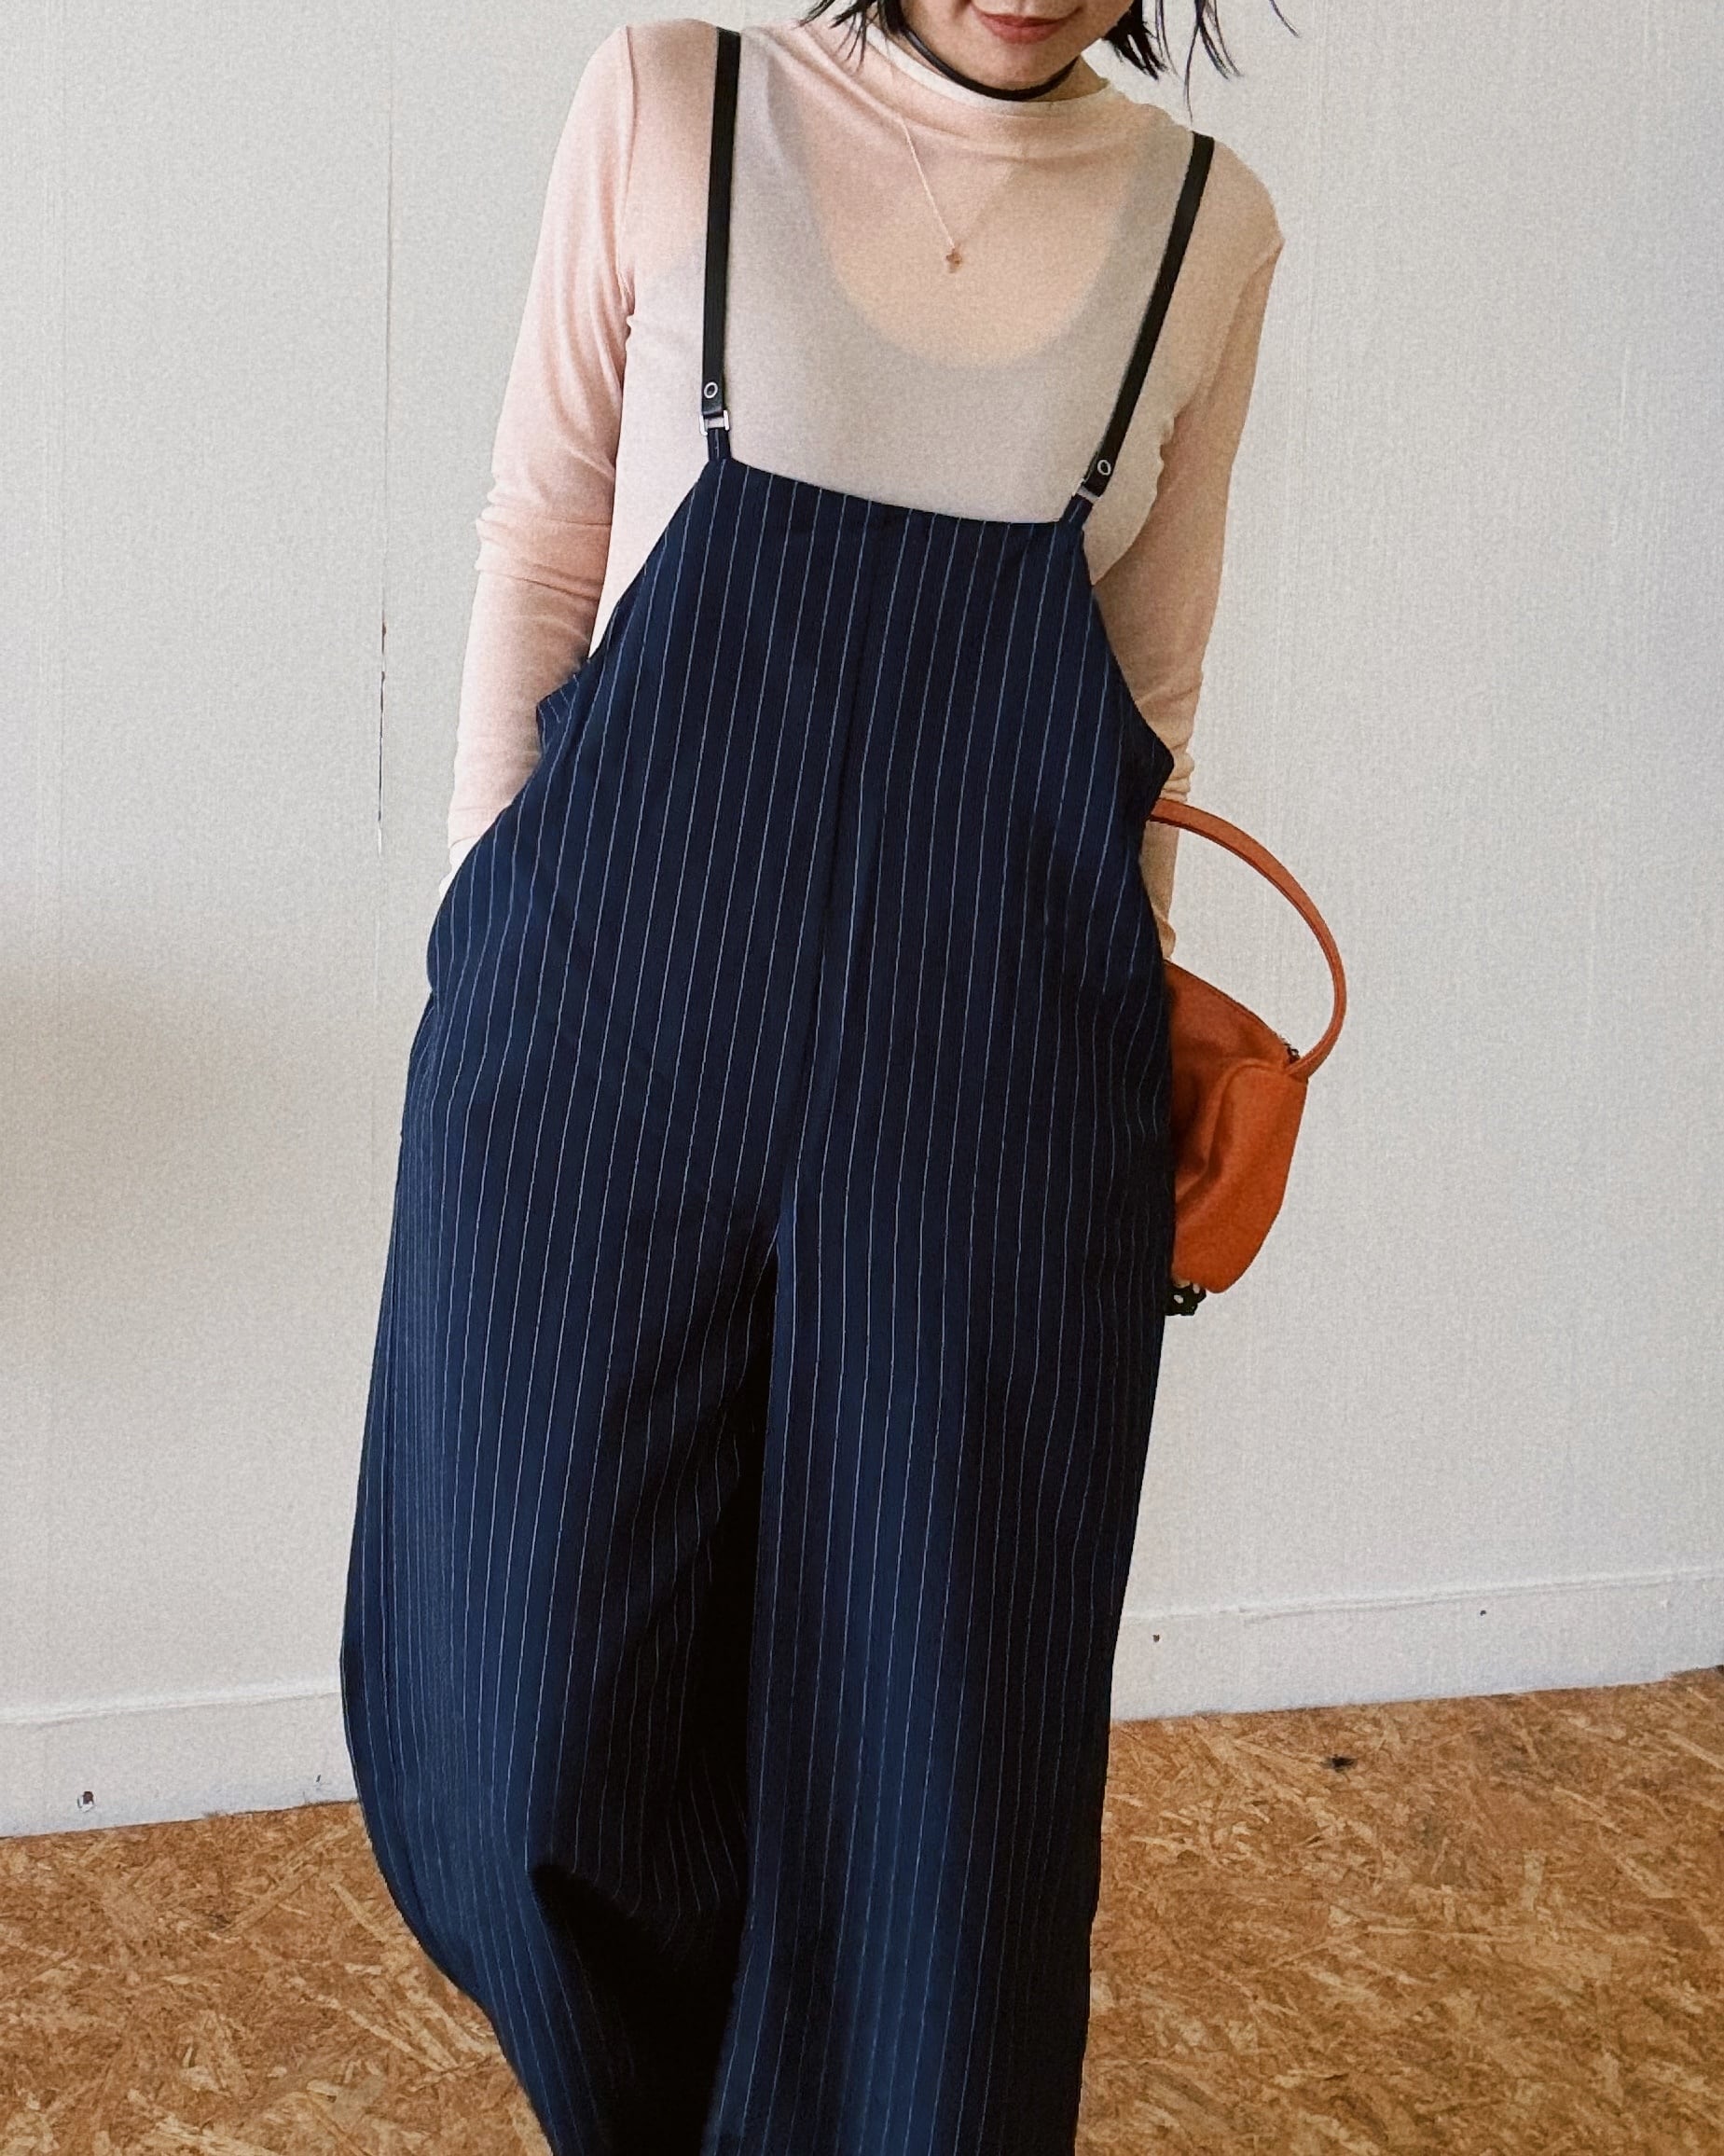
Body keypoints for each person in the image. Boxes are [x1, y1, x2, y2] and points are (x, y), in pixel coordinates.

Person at [340, 5, 1284, 2151]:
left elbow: (1147, 691)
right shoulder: (676, 100)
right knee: (513, 1745)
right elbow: (541, 536)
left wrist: (1107, 1057)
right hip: (603, 1019)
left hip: (991, 1073)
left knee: (930, 1780)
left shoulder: (1202, 229)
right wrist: (490, 944)